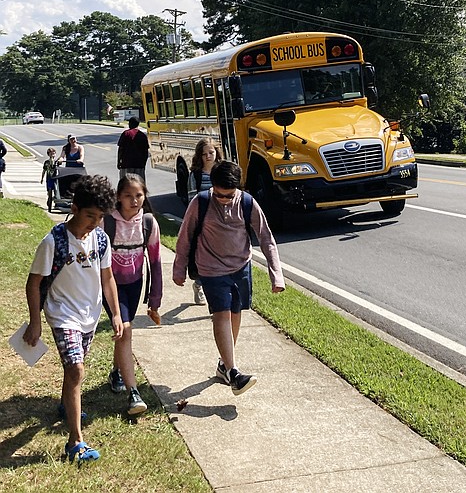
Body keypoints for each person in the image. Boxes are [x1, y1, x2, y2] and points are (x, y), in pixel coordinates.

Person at [23, 175, 123, 465]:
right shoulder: (53, 241)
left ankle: (67, 407)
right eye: (90, 215)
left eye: (100, 217)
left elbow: (107, 278)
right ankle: (75, 441)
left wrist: (115, 313)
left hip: (89, 316)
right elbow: (33, 283)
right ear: (75, 208)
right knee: (77, 369)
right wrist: (35, 321)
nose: (94, 222)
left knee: (73, 372)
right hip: (62, 314)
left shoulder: (101, 240)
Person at [172, 161, 285, 396]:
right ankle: (234, 372)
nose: (223, 199)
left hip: (240, 267)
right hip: (211, 268)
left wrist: (277, 275)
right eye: (219, 194)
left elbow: (266, 238)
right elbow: (185, 236)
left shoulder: (247, 203)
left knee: (236, 313)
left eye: (228, 195)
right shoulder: (200, 202)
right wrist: (179, 268)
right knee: (221, 314)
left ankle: (224, 364)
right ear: (212, 186)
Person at [103, 174, 163, 415]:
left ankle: (116, 371)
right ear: (118, 196)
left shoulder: (148, 223)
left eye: (138, 195)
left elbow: (156, 262)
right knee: (125, 329)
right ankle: (133, 392)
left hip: (134, 284)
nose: (134, 200)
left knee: (123, 331)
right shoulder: (107, 222)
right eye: (128, 195)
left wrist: (155, 301)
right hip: (110, 286)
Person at [188, 137, 222, 305]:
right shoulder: (196, 175)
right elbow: (191, 200)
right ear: (199, 157)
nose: (208, 156)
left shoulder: (223, 171)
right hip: (202, 224)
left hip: (222, 224)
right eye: (204, 154)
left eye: (211, 152)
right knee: (204, 258)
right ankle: (200, 285)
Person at [117, 117, 149, 182]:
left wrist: (119, 162)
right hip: (139, 165)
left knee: (126, 185)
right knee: (139, 184)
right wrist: (143, 164)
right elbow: (145, 152)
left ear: (130, 124)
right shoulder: (142, 135)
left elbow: (121, 149)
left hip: (126, 164)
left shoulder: (126, 133)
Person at [41, 147, 58, 212]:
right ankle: (49, 199)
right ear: (48, 154)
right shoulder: (46, 162)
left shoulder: (56, 162)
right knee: (49, 190)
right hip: (49, 178)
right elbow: (44, 170)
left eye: (53, 153)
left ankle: (56, 202)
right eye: (51, 153)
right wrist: (42, 178)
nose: (52, 155)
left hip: (55, 178)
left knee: (56, 191)